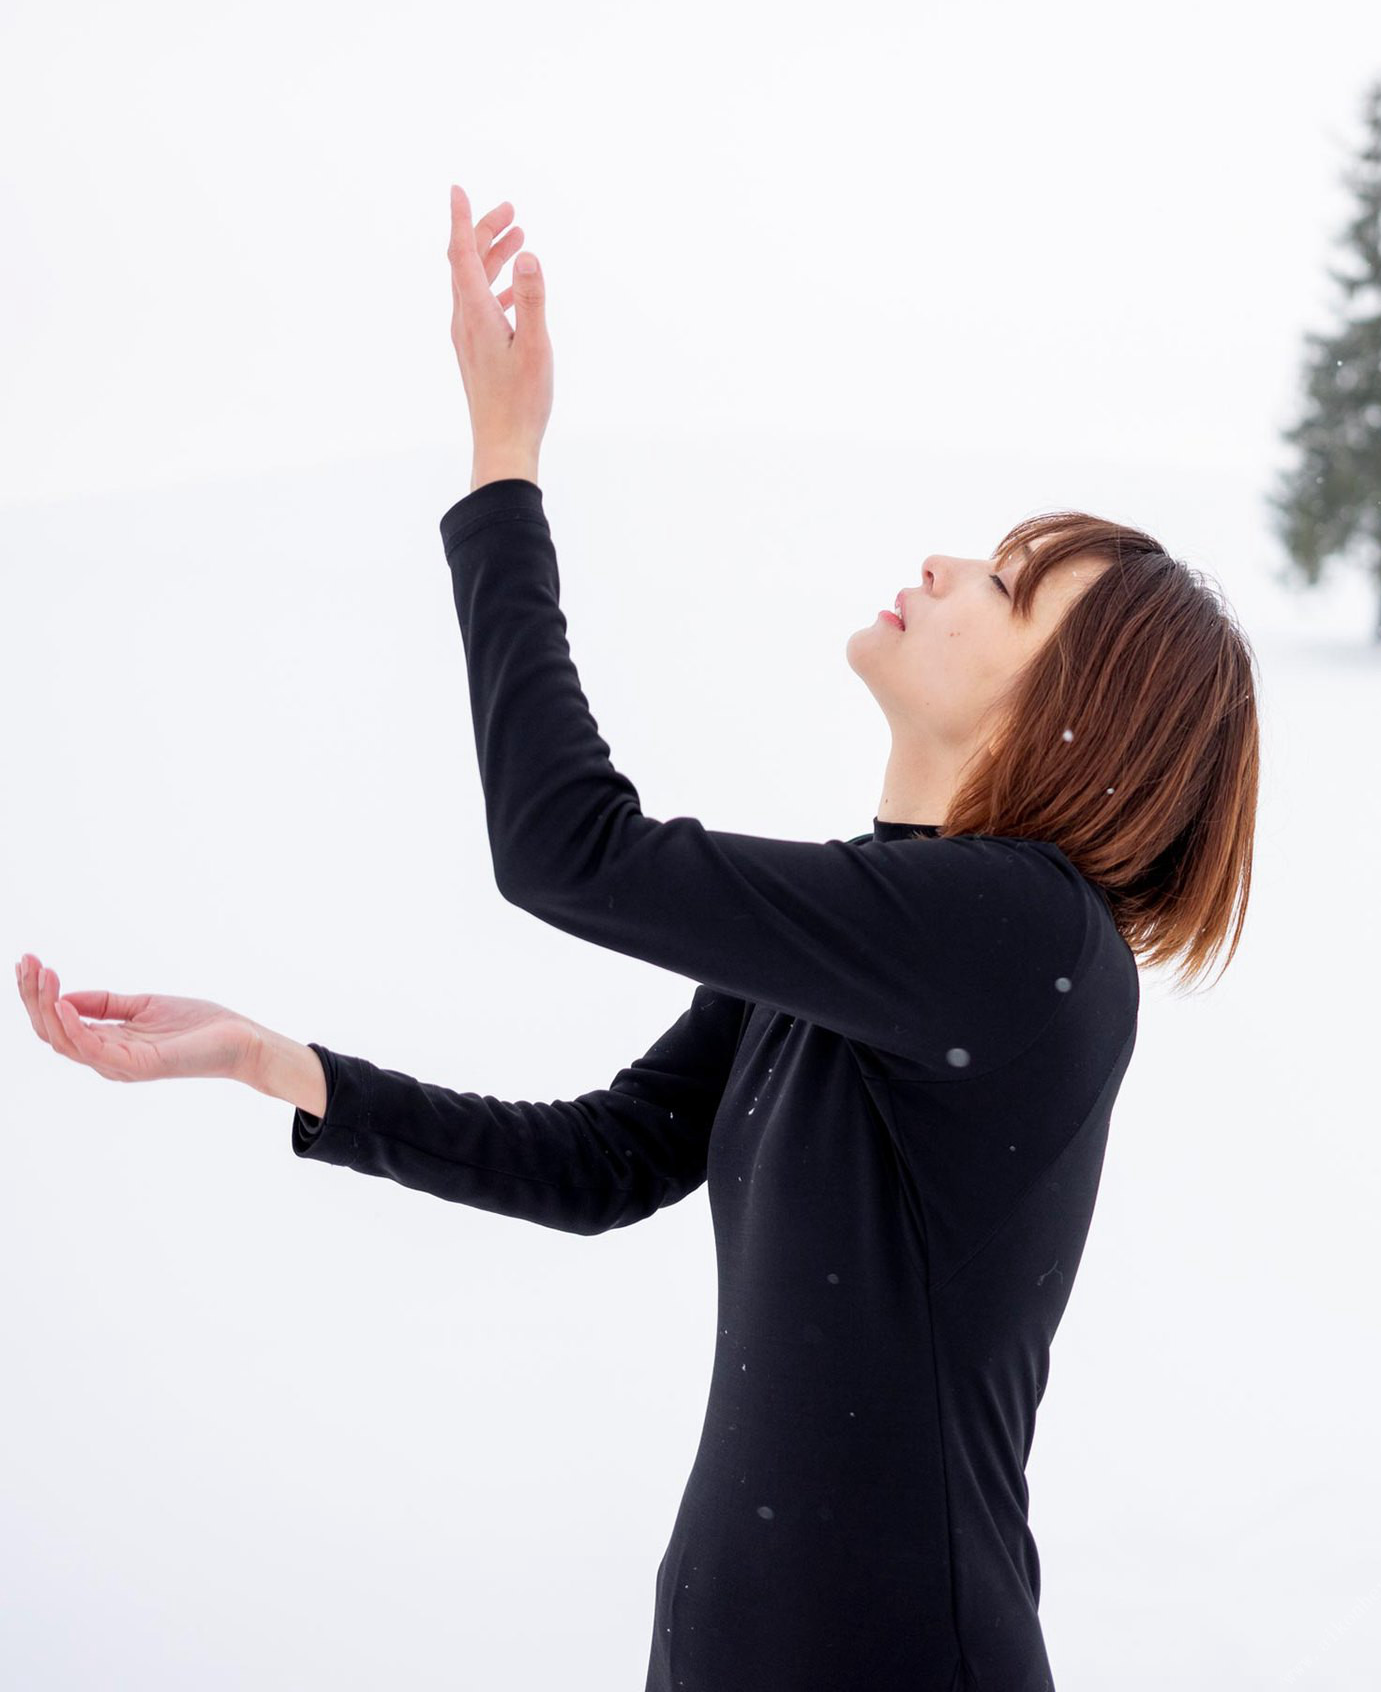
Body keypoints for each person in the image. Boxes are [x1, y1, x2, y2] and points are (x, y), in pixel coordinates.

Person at [16, 192, 1260, 1691]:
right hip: (735, 1641)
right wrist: (267, 1061)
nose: (942, 566)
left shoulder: (1018, 940)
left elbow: (569, 849)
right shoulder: (885, 937)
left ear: (1078, 718)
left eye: (1006, 587)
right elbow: (606, 1160)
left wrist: (501, 465)